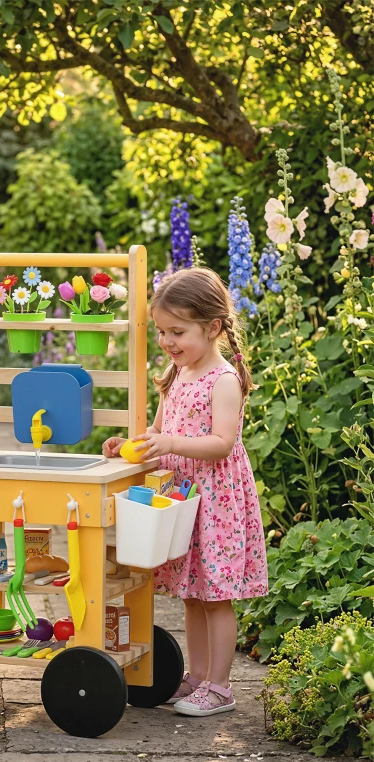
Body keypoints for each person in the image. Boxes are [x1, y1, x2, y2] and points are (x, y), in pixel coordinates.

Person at [103, 268, 267, 717]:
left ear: (212, 327)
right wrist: (131, 444)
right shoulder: (177, 373)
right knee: (194, 593)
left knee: (217, 596)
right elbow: (159, 430)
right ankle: (196, 677)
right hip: (182, 501)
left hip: (217, 504)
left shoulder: (224, 380)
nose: (167, 342)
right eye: (161, 332)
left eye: (177, 331)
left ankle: (221, 687)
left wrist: (171, 444)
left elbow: (221, 444)